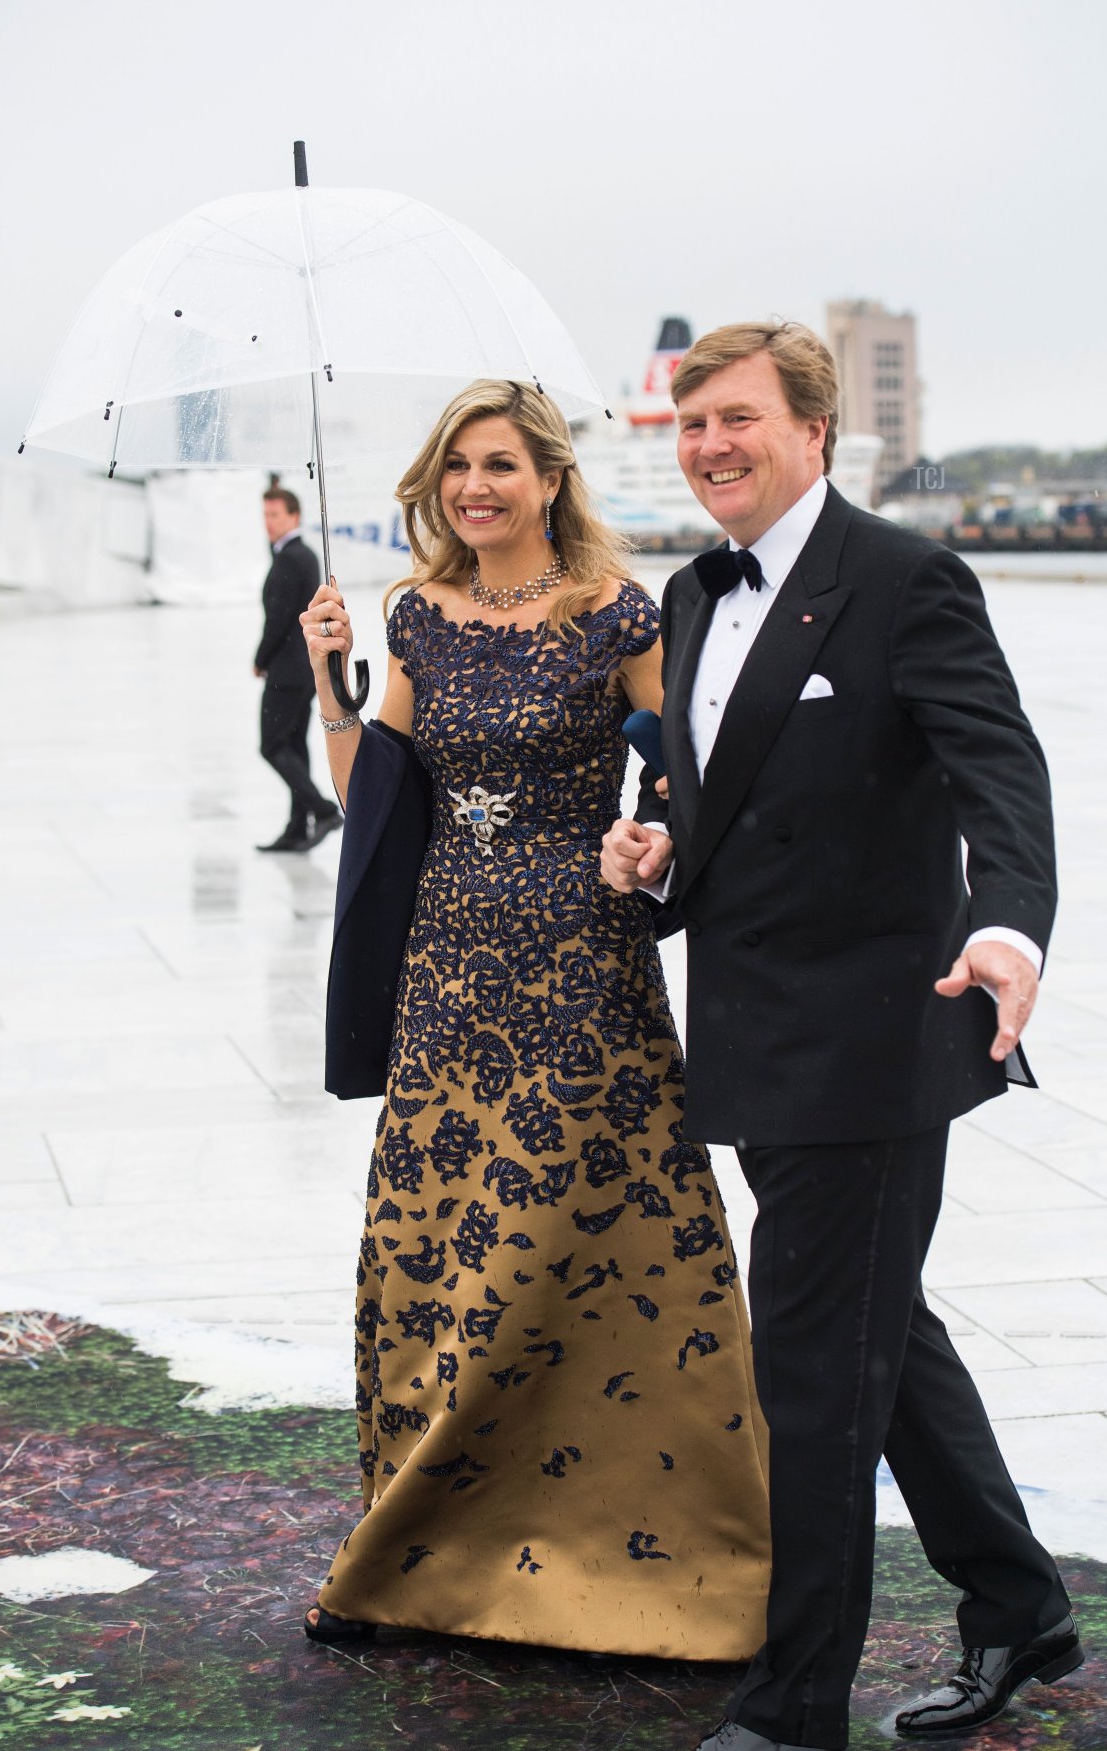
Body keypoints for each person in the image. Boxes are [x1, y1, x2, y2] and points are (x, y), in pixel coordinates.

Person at [600, 322, 1080, 1750]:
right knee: (879, 1335)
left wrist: (1007, 925)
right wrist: (657, 851)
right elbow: (718, 797)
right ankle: (1018, 1607)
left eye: (737, 419)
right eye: (693, 427)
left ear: (813, 431)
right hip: (756, 1042)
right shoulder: (690, 593)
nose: (710, 448)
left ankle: (795, 1703)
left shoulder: (904, 578)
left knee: (812, 1372)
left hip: (879, 1042)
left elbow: (1003, 772)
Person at [297, 379, 771, 1659]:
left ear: (551, 478)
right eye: (458, 466)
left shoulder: (618, 610)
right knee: (444, 1255)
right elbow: (373, 800)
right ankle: (435, 1557)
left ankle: (646, 1561)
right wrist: (329, 680)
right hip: (445, 976)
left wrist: (650, 837)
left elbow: (694, 767)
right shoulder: (417, 617)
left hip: (583, 966)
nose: (475, 488)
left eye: (500, 464)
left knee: (569, 1251)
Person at [253, 486, 342, 852]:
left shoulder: (292, 557)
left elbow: (278, 619)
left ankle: (322, 810)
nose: (268, 523)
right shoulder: (297, 554)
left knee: (272, 746)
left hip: (287, 673)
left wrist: (260, 658)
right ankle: (296, 826)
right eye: (265, 515)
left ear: (294, 517)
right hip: (301, 669)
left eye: (275, 515)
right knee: (293, 745)